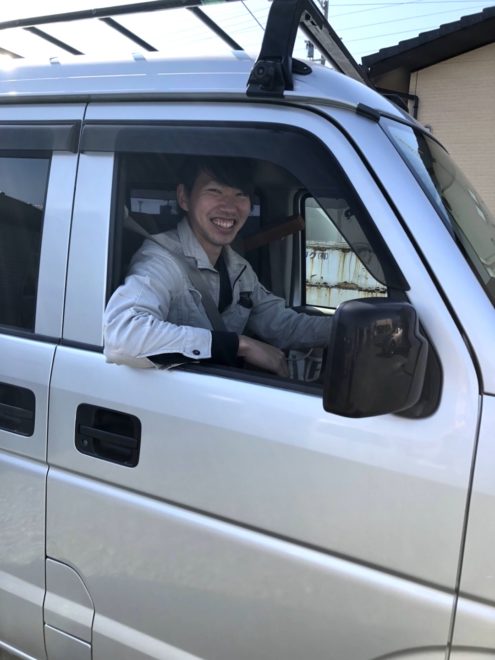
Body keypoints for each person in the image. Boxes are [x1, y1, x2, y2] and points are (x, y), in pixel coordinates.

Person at [103, 157, 332, 377]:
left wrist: (344, 328)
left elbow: (283, 325)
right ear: (184, 198)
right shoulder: (160, 261)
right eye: (214, 191)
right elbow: (122, 337)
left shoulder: (239, 269)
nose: (230, 208)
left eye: (240, 194)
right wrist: (239, 345)